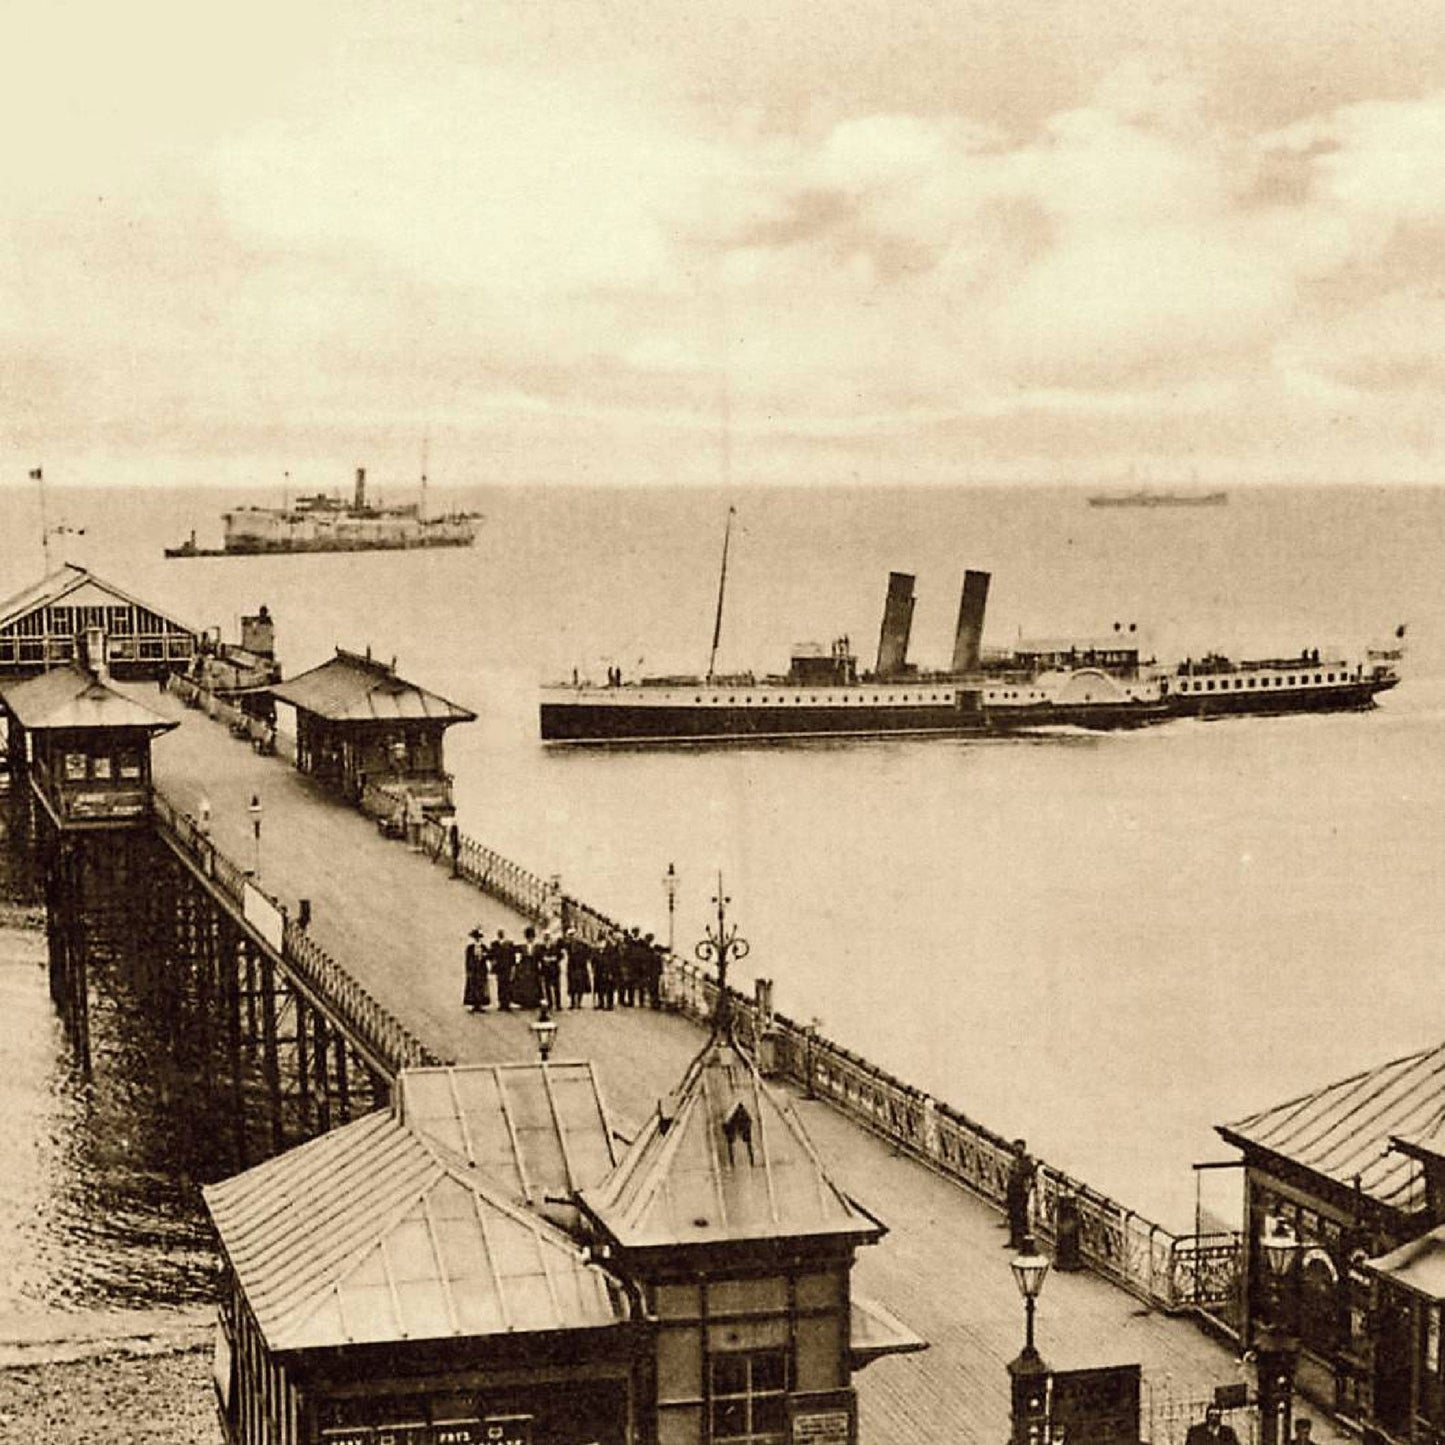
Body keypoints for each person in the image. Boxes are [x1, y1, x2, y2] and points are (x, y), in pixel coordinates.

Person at [1005, 1138, 1035, 1250]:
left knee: (1021, 1216)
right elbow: (1010, 1176)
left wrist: (1028, 1189)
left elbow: (1031, 1177)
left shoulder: (1026, 1162)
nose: (1016, 1149)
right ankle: (1013, 1240)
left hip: (1021, 1193)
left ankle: (1023, 1241)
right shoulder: (1015, 1162)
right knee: (1013, 1216)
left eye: (1018, 1147)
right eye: (1015, 1147)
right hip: (1012, 1192)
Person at [565, 929, 591, 1009]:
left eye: (573, 935)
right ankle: (572, 1003)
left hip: (581, 966)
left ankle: (579, 1003)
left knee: (580, 985)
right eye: (570, 935)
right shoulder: (568, 945)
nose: (572, 937)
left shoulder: (582, 944)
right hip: (572, 966)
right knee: (572, 985)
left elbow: (589, 952)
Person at [463, 928, 486, 1011]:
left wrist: (484, 956)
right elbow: (467, 959)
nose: (477, 939)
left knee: (480, 985)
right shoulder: (470, 947)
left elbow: (489, 955)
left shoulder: (483, 946)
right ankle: (473, 1003)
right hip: (473, 969)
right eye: (476, 938)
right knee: (473, 985)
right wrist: (468, 969)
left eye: (478, 938)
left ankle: (479, 1004)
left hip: (481, 968)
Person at [492, 928, 515, 1011]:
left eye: (502, 933)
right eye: (499, 933)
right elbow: (492, 955)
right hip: (500, 969)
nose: (500, 934)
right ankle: (501, 1003)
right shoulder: (494, 944)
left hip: (507, 968)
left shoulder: (509, 944)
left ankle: (507, 1003)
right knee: (500, 986)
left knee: (508, 985)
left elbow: (512, 957)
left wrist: (513, 967)